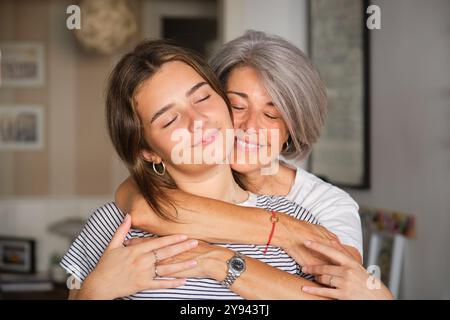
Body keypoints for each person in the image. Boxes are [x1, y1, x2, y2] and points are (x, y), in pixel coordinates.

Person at [61, 39, 331, 300]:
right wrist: (93, 293)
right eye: (169, 120)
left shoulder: (297, 222)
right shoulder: (114, 225)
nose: (197, 121)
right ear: (148, 151)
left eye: (202, 98)